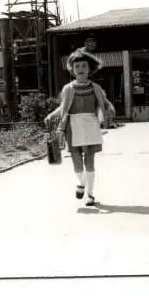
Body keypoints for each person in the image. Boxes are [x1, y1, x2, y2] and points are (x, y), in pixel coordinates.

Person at [45, 49, 116, 206]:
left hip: (91, 125)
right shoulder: (68, 89)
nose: (81, 69)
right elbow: (63, 108)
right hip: (73, 127)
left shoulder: (96, 88)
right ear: (72, 69)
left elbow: (105, 103)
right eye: (77, 66)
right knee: (77, 162)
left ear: (90, 69)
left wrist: (109, 109)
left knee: (89, 162)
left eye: (84, 66)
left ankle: (90, 194)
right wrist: (51, 115)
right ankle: (81, 183)